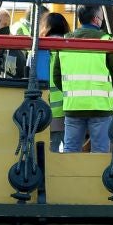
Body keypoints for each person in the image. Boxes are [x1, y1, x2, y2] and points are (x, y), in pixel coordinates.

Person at [52, 4, 113, 153]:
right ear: (96, 19)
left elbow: (57, 76)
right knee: (100, 151)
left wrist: (72, 90)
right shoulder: (105, 40)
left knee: (70, 151)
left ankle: (71, 177)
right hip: (100, 107)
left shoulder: (65, 41)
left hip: (73, 106)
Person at [41, 11, 71, 152]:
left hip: (46, 110)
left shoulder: (39, 49)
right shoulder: (71, 48)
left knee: (48, 154)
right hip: (70, 109)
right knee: (72, 152)